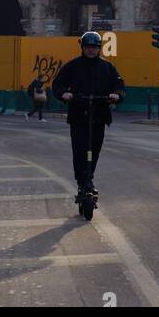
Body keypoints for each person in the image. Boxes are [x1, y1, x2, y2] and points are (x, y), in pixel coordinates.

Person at [52, 32, 125, 196]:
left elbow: (119, 85)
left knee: (95, 149)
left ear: (99, 49)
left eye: (94, 48)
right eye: (88, 47)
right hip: (79, 115)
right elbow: (58, 84)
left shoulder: (107, 67)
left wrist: (117, 95)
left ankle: (89, 179)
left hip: (99, 115)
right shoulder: (73, 66)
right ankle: (81, 181)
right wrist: (64, 94)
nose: (91, 50)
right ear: (82, 48)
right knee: (79, 150)